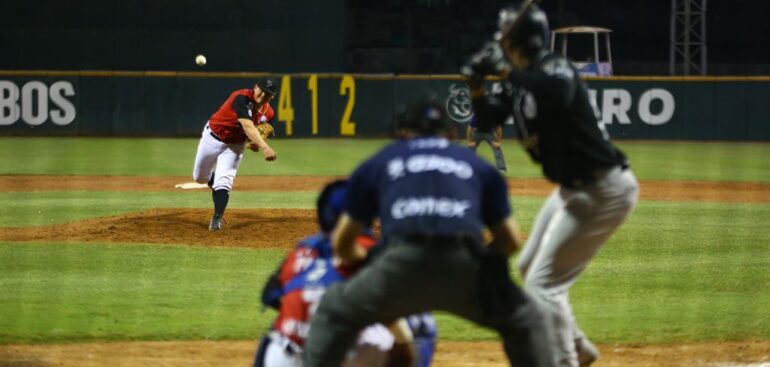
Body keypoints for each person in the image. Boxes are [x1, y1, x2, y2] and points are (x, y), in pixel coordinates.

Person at [302, 99, 557, 367]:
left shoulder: (381, 161)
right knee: (527, 319)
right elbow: (511, 241)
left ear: (402, 132)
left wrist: (375, 261)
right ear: (448, 133)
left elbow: (343, 243)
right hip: (465, 268)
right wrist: (481, 263)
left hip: (399, 267)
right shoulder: (476, 165)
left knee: (334, 310)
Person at [463, 3, 640, 366]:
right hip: (573, 192)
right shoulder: (520, 81)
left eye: (505, 39)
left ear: (518, 41)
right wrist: (477, 87)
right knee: (531, 268)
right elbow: (487, 118)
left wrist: (502, 70)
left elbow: (555, 93)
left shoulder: (553, 66)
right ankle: (578, 348)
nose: (500, 44)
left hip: (603, 190)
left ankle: (564, 361)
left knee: (543, 287)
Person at [253, 180, 429, 367]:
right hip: (352, 354)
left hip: (287, 352)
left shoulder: (303, 249)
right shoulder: (373, 250)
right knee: (422, 324)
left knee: (277, 329)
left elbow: (270, 294)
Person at [192, 78, 278, 231]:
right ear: (256, 87)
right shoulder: (241, 97)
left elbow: (253, 133)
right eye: (262, 89)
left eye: (268, 93)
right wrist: (264, 147)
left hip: (235, 146)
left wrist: (253, 143)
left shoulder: (269, 113)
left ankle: (217, 218)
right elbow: (247, 125)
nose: (263, 94)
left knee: (225, 181)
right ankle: (212, 181)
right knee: (199, 177)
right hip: (212, 137)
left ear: (272, 97)